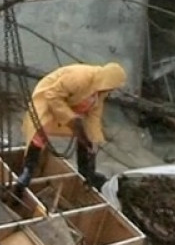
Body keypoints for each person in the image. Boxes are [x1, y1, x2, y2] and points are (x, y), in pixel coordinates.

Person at [13, 62, 128, 194]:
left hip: (72, 104)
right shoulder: (80, 77)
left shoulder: (100, 92)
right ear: (106, 81)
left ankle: (85, 172)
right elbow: (53, 95)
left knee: (86, 135)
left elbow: (93, 116)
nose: (111, 91)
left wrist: (94, 140)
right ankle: (28, 170)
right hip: (48, 98)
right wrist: (71, 118)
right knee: (39, 128)